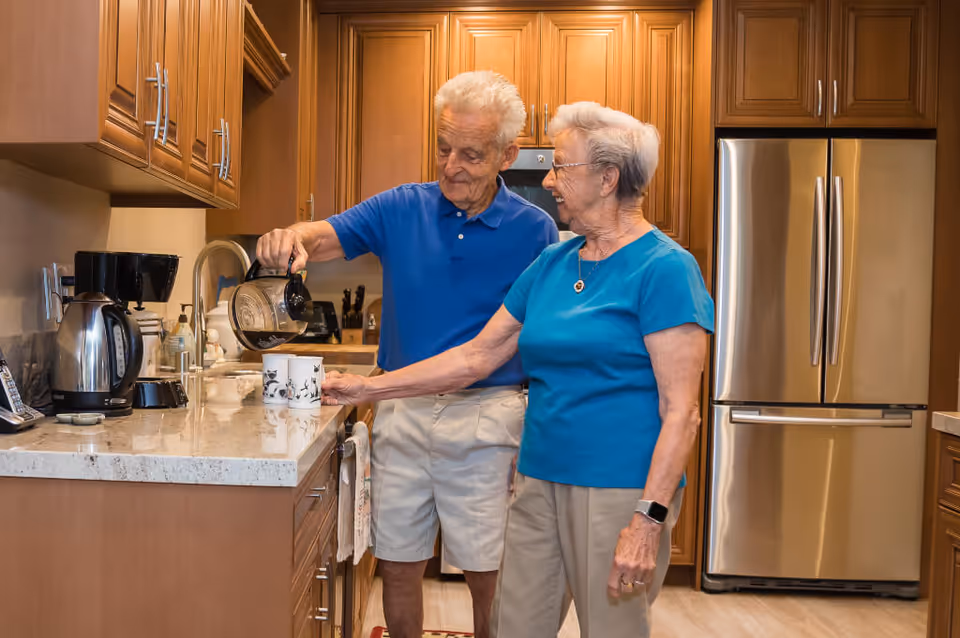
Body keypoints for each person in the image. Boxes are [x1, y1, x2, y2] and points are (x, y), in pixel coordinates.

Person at [320, 101, 714, 638]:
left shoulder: (665, 268)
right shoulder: (553, 263)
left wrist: (648, 520)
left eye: (561, 166)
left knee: (612, 630)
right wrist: (367, 388)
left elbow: (681, 413)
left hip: (617, 489)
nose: (549, 180)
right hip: (538, 481)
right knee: (512, 626)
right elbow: (476, 357)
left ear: (607, 178)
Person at [256, 71, 558, 638]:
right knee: (396, 566)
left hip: (488, 414)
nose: (451, 167)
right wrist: (289, 238)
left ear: (507, 154)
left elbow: (532, 342)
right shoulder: (402, 207)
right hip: (401, 409)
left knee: (488, 573)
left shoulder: (535, 231)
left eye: (471, 154)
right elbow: (322, 237)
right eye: (444, 148)